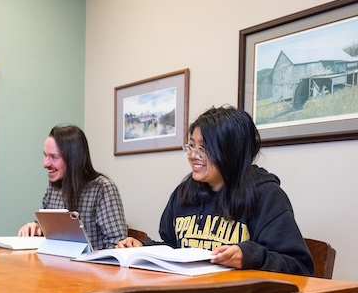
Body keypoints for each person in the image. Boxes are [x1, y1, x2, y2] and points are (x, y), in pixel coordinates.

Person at [117, 105, 313, 276]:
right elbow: (173, 249)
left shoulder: (267, 196)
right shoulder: (184, 194)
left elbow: (300, 267)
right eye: (191, 146)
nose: (193, 156)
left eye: (204, 148)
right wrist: (143, 248)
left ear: (231, 151)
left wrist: (250, 256)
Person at [18, 124, 127, 249]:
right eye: (45, 155)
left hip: (90, 267)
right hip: (55, 265)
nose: (45, 164)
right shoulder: (53, 188)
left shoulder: (102, 189)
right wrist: (35, 227)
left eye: (53, 157)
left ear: (73, 159)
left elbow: (119, 245)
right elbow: (47, 230)